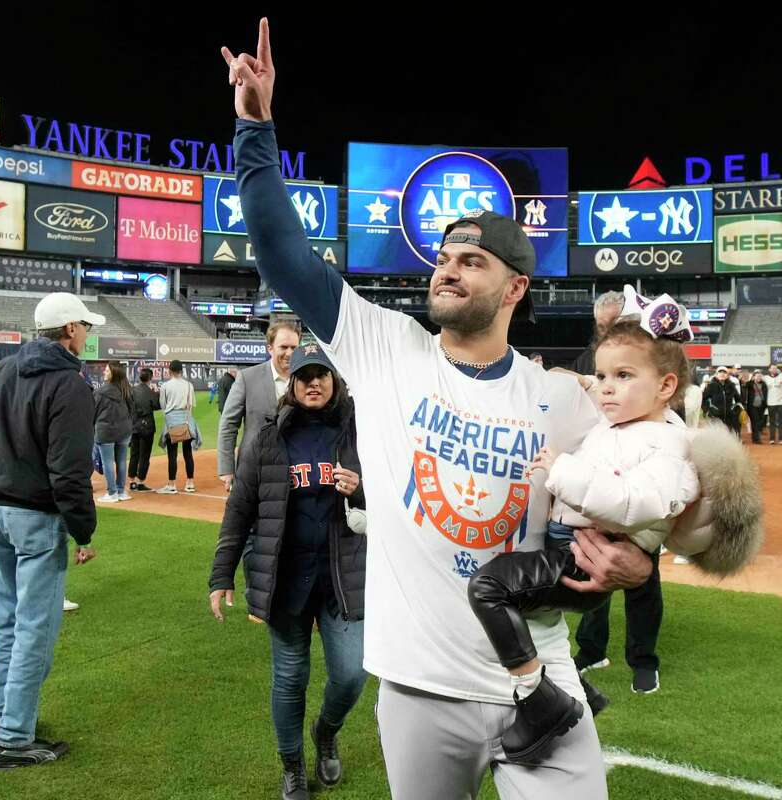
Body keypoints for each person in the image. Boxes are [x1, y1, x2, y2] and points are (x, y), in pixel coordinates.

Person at [221, 23, 671, 795]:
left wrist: (639, 563)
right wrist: (255, 128)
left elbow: (634, 514)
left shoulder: (564, 400)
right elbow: (279, 248)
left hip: (541, 682)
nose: (448, 271)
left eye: (473, 261)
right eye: (444, 258)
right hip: (420, 686)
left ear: (516, 287)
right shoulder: (385, 346)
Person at [469, 293, 700, 761]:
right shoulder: (623, 423)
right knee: (522, 612)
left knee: (488, 588)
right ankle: (579, 694)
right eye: (603, 376)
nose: (607, 388)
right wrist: (575, 379)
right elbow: (592, 395)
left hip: (580, 561)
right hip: (569, 549)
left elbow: (633, 504)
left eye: (623, 376)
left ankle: (539, 699)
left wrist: (562, 472)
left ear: (665, 386)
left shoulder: (672, 444)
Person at [209, 344, 369, 798]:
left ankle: (326, 730)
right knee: (289, 678)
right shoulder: (268, 438)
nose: (313, 382)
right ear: (292, 384)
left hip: (342, 578)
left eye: (321, 375)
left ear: (335, 382)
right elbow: (239, 510)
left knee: (352, 673)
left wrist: (362, 491)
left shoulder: (360, 433)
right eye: (304, 376)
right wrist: (221, 576)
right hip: (285, 579)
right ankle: (293, 765)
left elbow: (397, 498)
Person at [0, 292, 102, 769]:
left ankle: (2, 718)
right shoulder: (69, 383)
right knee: (33, 630)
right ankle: (14, 740)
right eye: (84, 326)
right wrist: (84, 531)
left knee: (7, 622)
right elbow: (69, 472)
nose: (87, 334)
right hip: (36, 518)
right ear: (68, 331)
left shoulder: (2, 370)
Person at [218, 321, 299, 492]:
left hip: (296, 468)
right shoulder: (248, 378)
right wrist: (227, 469)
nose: (289, 353)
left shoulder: (305, 379)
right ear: (270, 348)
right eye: (283, 347)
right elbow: (229, 424)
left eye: (294, 347)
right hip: (254, 469)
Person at [93, 361, 135, 503]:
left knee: (108, 462)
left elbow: (93, 412)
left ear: (114, 373)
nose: (104, 372)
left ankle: (112, 493)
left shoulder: (100, 392)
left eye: (107, 370)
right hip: (124, 431)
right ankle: (121, 491)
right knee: (122, 461)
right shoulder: (126, 390)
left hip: (106, 431)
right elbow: (132, 411)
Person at [158, 360, 200, 494]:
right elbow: (191, 405)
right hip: (186, 419)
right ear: (181, 371)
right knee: (188, 454)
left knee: (172, 455)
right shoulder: (189, 385)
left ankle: (171, 484)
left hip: (172, 420)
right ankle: (190, 483)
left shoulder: (165, 386)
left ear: (170, 371)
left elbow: (163, 405)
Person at [572, 291, 624, 374]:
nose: (608, 333)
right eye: (602, 327)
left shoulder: (644, 356)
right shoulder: (584, 362)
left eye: (614, 326)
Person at [128, 367, 161, 493]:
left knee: (134, 454)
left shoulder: (132, 390)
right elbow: (157, 406)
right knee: (144, 455)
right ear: (150, 378)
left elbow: (128, 406)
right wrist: (156, 394)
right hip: (147, 426)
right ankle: (141, 481)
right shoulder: (150, 392)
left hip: (134, 426)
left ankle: (132, 482)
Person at [702, 366, 742, 436]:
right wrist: (708, 410)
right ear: (716, 374)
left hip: (728, 418)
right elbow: (703, 399)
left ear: (727, 375)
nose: (722, 374)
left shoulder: (731, 386)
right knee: (716, 437)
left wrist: (735, 410)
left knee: (728, 437)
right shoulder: (711, 385)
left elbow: (738, 400)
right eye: (720, 372)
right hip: (715, 417)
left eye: (724, 372)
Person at [761, 365, 782, 444]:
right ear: (769, 369)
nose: (774, 369)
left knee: (780, 422)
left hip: (780, 403)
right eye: (772, 368)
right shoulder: (765, 377)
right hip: (770, 403)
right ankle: (772, 439)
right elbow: (755, 377)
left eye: (775, 368)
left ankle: (781, 439)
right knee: (772, 422)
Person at [744, 372, 767, 444]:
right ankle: (756, 439)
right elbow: (744, 385)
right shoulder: (750, 384)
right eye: (757, 376)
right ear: (754, 377)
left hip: (761, 406)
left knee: (759, 422)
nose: (759, 378)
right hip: (752, 406)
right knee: (755, 422)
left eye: (760, 376)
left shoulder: (764, 384)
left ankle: (755, 438)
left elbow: (765, 394)